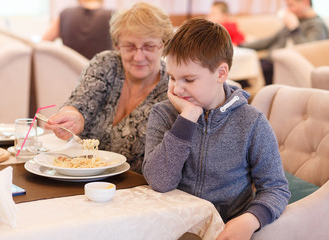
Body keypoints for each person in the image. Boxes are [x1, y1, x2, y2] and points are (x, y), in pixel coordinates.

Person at [142, 18, 290, 240]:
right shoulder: (163, 113)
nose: (177, 89)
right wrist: (187, 118)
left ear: (221, 73)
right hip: (170, 228)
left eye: (189, 79)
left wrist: (251, 219)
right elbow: (159, 181)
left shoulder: (252, 122)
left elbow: (276, 188)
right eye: (172, 77)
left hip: (223, 231)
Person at [43, 2, 173, 173]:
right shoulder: (107, 64)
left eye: (148, 46)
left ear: (163, 44)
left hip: (136, 188)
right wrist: (72, 117)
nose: (138, 56)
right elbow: (80, 102)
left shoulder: (172, 89)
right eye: (129, 46)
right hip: (84, 176)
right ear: (117, 45)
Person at [241, 0, 329, 85]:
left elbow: (308, 51)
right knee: (244, 68)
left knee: (245, 73)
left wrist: (294, 28)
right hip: (271, 62)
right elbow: (270, 40)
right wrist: (242, 46)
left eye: (291, 5)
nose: (288, 10)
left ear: (305, 2)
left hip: (285, 67)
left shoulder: (316, 25)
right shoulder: (298, 20)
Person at [42, 0, 113, 59]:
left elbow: (43, 44)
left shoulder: (65, 14)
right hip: (101, 73)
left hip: (69, 73)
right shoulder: (112, 16)